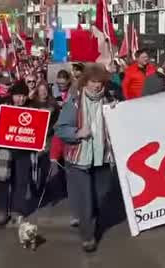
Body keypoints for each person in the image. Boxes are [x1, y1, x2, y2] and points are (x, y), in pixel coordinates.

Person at [55, 65, 119, 253]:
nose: (96, 86)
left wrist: (118, 113)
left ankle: (91, 222)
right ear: (85, 82)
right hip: (79, 159)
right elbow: (60, 128)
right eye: (92, 82)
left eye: (99, 82)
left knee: (100, 197)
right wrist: (77, 133)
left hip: (103, 159)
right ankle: (88, 236)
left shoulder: (110, 99)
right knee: (86, 200)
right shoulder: (74, 102)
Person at [0, 82, 38, 226]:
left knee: (21, 182)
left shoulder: (32, 107)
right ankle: (2, 211)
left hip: (24, 152)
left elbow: (40, 127)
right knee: (1, 181)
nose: (20, 99)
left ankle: (17, 211)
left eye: (23, 96)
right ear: (12, 95)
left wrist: (40, 139)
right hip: (4, 152)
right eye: (18, 96)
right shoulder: (1, 106)